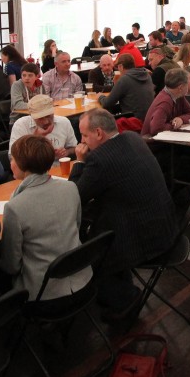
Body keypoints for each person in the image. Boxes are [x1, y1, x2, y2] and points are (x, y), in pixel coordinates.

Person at [71, 108, 178, 318]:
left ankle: (124, 302)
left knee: (92, 248)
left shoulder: (99, 159)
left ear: (99, 133)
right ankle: (123, 291)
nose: (82, 141)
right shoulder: (132, 137)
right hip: (167, 225)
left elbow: (75, 197)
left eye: (84, 135)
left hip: (144, 240)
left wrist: (79, 162)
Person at [0, 135, 90, 299]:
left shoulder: (15, 207)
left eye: (12, 159)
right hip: (83, 279)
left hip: (45, 293)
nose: (10, 163)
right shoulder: (70, 188)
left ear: (22, 165)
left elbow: (11, 265)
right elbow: (76, 227)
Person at [9, 95, 78, 160]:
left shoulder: (64, 122)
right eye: (40, 118)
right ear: (31, 116)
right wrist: (35, 139)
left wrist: (66, 152)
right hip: (32, 169)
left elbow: (74, 147)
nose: (46, 122)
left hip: (58, 166)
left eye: (48, 116)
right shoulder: (21, 125)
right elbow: (13, 157)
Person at [141, 68, 190, 137]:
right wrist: (174, 125)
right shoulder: (165, 102)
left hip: (167, 139)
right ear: (181, 87)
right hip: (153, 143)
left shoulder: (178, 96)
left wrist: (181, 119)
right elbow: (155, 128)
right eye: (187, 84)